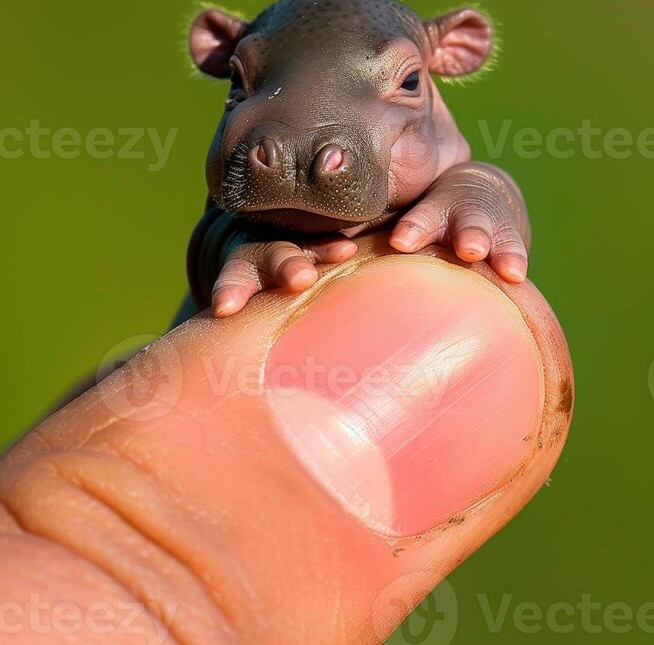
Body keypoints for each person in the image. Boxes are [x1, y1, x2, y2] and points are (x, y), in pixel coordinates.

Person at [0, 237, 572, 643]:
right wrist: (246, 249)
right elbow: (214, 246)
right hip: (193, 441)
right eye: (240, 93)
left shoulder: (434, 157)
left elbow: (488, 195)